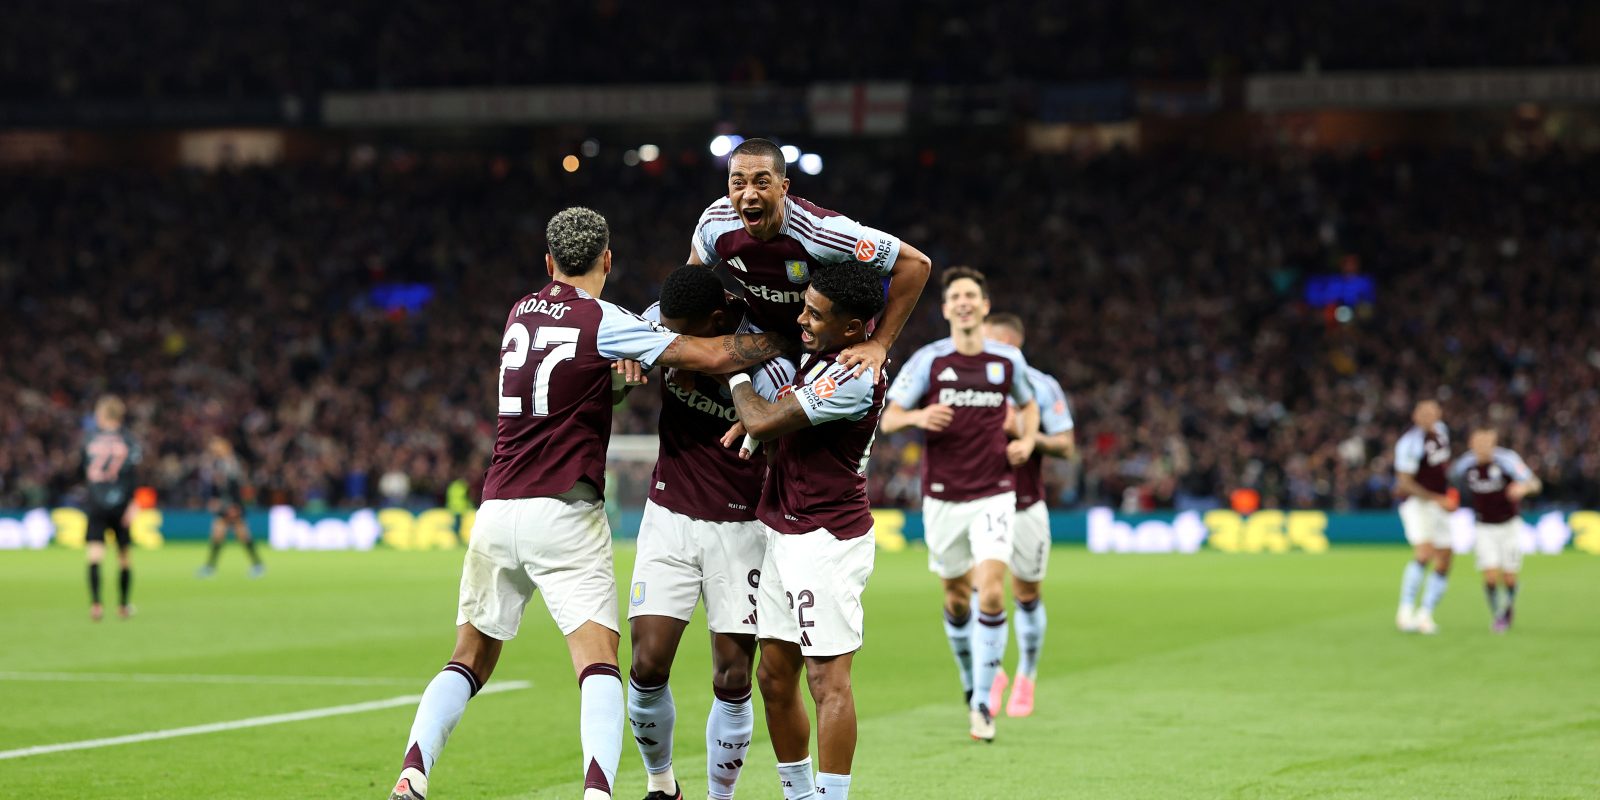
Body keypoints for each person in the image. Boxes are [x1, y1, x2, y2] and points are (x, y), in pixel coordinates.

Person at [386, 207, 791, 800]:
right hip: (564, 510)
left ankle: (413, 773)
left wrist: (621, 380)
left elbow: (579, 380)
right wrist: (786, 333)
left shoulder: (519, 312)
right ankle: (599, 791)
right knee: (598, 661)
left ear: (548, 263)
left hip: (497, 507)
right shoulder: (607, 320)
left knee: (467, 657)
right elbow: (709, 356)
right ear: (608, 260)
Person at [717, 264, 888, 800]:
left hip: (827, 538)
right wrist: (761, 426)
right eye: (805, 306)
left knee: (826, 681)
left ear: (855, 327)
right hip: (782, 528)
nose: (802, 318)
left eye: (816, 313)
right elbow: (778, 428)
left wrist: (736, 371)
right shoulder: (819, 354)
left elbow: (768, 420)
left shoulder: (856, 374)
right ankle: (799, 794)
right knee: (772, 676)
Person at [626, 266, 795, 800]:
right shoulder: (662, 321)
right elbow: (631, 335)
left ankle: (719, 797)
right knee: (647, 663)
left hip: (742, 527)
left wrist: (760, 424)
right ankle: (661, 785)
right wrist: (631, 352)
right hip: (668, 515)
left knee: (732, 677)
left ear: (718, 319)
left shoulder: (767, 365)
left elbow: (784, 428)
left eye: (684, 334)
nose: (672, 343)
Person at [880, 266, 1040, 742]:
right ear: (947, 308)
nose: (965, 303)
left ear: (985, 306)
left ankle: (984, 702)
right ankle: (971, 685)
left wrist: (1028, 442)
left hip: (995, 490)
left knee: (991, 589)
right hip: (944, 497)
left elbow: (1029, 405)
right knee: (955, 595)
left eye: (973, 295)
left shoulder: (1007, 362)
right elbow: (890, 419)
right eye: (956, 297)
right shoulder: (930, 361)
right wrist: (920, 415)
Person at [689, 136, 931, 379]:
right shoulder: (716, 222)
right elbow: (689, 285)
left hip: (832, 348)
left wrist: (879, 343)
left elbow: (915, 265)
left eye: (761, 183)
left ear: (783, 187)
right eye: (738, 183)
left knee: (786, 415)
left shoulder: (823, 234)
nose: (749, 194)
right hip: (768, 339)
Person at [981, 312, 1075, 718]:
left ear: (1011, 346)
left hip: (1025, 505)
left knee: (1026, 595)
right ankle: (992, 674)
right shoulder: (968, 378)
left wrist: (1023, 430)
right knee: (978, 594)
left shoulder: (1040, 385)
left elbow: (1065, 445)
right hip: (978, 503)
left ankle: (1027, 676)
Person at [1449, 429, 1541, 634]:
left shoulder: (1507, 460)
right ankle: (1499, 614)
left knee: (1509, 578)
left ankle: (1508, 608)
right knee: (1490, 577)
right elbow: (1451, 483)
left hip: (1509, 526)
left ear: (1494, 443)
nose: (1483, 448)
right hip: (1484, 527)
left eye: (1487, 443)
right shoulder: (1464, 465)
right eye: (1478, 443)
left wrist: (1523, 489)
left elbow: (1535, 483)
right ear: (1471, 444)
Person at [1393, 400, 1457, 635]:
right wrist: (1435, 498)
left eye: (1432, 412)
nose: (1428, 416)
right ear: (1415, 416)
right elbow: (1405, 482)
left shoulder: (1442, 432)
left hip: (1439, 502)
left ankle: (1425, 613)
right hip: (1418, 504)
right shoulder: (1409, 443)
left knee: (1446, 556)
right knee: (1425, 552)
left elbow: (1441, 469)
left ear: (1439, 414)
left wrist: (1446, 495)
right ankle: (1405, 610)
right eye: (1423, 413)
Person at [82, 395, 141, 622]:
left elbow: (82, 469)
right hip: (122, 505)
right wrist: (133, 503)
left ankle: (96, 604)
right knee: (124, 556)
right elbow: (133, 473)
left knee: (95, 554)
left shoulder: (89, 439)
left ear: (103, 414)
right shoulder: (128, 439)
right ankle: (123, 605)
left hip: (96, 503)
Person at [196, 437, 264, 578]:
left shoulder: (232, 463)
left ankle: (257, 565)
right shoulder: (218, 464)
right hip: (224, 505)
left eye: (217, 448)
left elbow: (237, 487)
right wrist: (214, 499)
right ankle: (210, 567)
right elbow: (218, 486)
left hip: (234, 506)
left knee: (243, 536)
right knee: (218, 536)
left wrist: (236, 506)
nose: (214, 450)